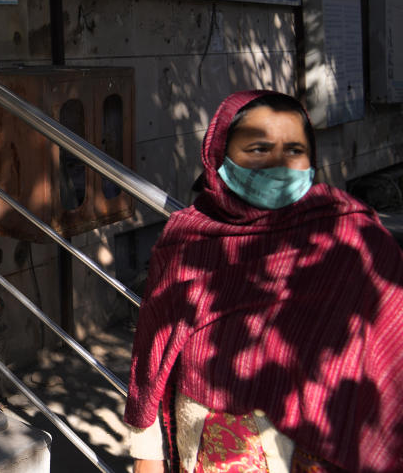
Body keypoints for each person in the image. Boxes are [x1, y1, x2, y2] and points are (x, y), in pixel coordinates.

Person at [125, 90, 403, 473]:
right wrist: (147, 454)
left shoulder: (353, 236)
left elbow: (392, 348)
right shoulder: (187, 239)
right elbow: (152, 353)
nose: (278, 165)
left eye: (294, 150)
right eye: (258, 149)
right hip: (222, 447)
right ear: (220, 153)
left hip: (328, 447)